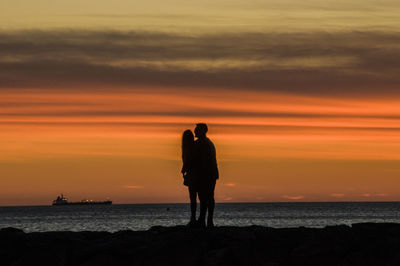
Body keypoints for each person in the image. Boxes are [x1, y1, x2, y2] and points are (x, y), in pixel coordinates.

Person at [194, 123, 219, 228]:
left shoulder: (203, 143)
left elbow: (202, 161)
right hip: (210, 174)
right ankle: (205, 220)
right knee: (207, 197)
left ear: (202, 131)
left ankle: (206, 220)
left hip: (206, 174)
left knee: (206, 197)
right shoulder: (206, 143)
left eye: (197, 129)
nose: (195, 131)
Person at [181, 129, 198, 227]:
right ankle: (195, 218)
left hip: (193, 175)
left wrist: (184, 169)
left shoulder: (188, 148)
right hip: (195, 174)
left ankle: (193, 218)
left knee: (193, 198)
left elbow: (188, 161)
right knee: (197, 198)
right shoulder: (194, 147)